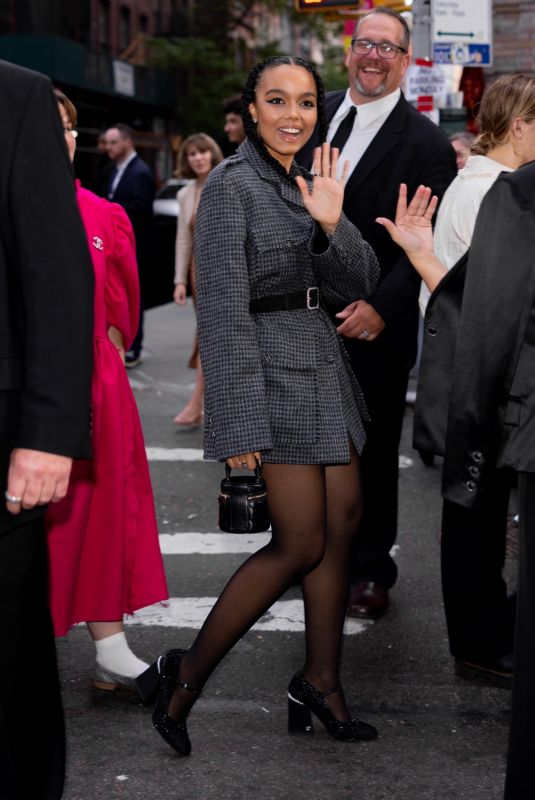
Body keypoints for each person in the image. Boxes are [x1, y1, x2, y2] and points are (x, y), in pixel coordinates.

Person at [135, 55, 380, 755]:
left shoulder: (312, 177)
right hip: (267, 374)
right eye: (277, 100)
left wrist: (333, 225)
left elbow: (357, 282)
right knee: (299, 542)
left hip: (321, 365)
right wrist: (235, 421)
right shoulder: (230, 187)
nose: (293, 115)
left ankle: (321, 682)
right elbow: (220, 312)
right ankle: (183, 680)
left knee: (341, 529)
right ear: (249, 110)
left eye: (305, 102)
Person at [297, 6, 457, 620]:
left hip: (369, 323)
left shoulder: (426, 144)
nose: (374, 57)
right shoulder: (308, 113)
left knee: (369, 448)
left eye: (388, 48)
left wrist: (385, 309)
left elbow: (427, 236)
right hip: (297, 316)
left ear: (407, 60)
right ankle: (305, 552)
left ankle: (369, 569)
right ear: (348, 50)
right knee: (302, 444)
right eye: (366, 44)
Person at [383, 74, 535, 688]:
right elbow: (475, 298)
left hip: (481, 372)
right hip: (485, 377)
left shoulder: (482, 185)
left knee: (476, 511)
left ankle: (485, 634)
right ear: (521, 124)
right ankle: (479, 642)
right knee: (474, 514)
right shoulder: (492, 191)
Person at [46, 91, 168, 691]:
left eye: (70, 128)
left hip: (95, 384)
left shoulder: (104, 214)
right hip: (21, 382)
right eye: (47, 126)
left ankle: (110, 648)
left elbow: (121, 317)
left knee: (99, 517)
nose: (63, 137)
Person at [0, 61, 94, 800]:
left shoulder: (15, 96)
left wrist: (51, 433)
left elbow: (57, 278)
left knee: (8, 660)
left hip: (3, 441)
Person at [173, 133, 223, 426]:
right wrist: (179, 280)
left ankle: (198, 403)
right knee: (208, 336)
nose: (198, 157)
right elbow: (183, 240)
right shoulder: (184, 194)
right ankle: (203, 404)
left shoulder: (227, 179)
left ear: (212, 153)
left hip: (226, 268)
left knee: (212, 337)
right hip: (198, 271)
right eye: (192, 154)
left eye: (203, 151)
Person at [105, 123, 155, 367]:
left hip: (135, 246)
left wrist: (109, 211)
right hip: (117, 246)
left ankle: (134, 347)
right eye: (107, 142)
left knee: (135, 296)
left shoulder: (140, 171)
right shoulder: (116, 171)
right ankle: (123, 344)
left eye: (113, 142)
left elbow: (142, 209)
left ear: (127, 142)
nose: (108, 147)